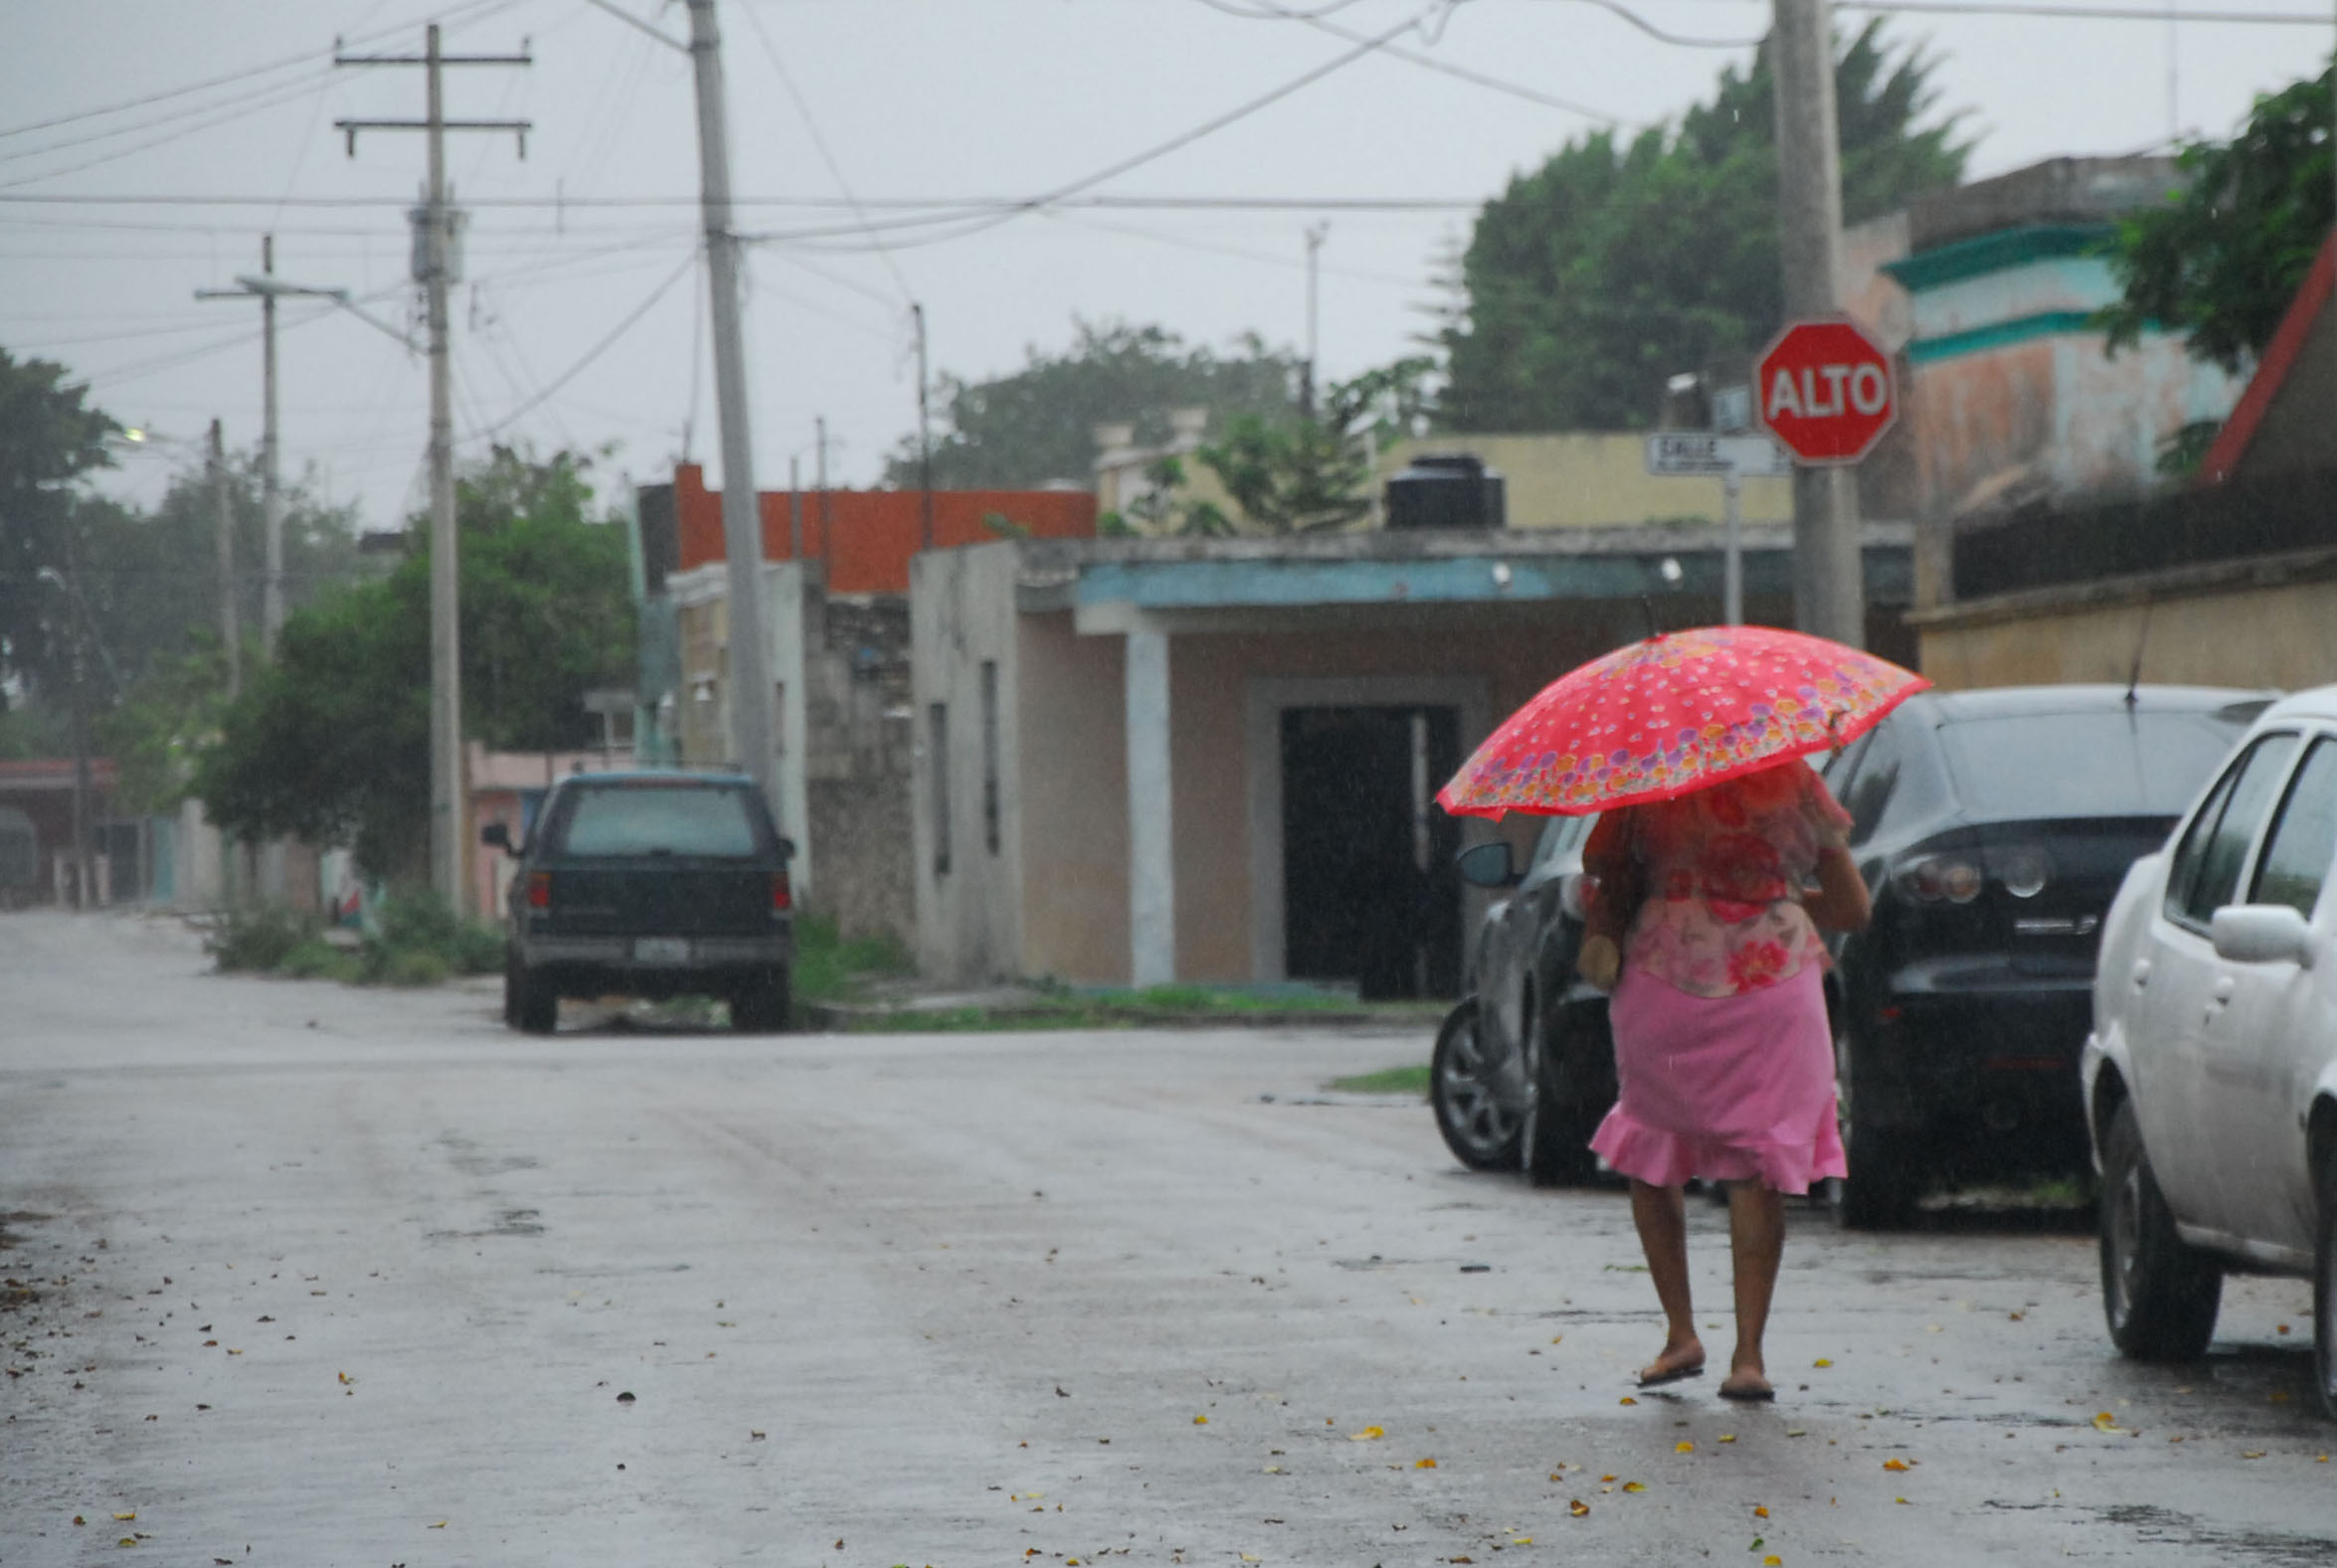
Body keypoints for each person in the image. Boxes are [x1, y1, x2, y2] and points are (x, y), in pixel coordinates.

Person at [1575, 754, 1870, 1402]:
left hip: (1663, 974)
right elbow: (1852, 908)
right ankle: (1749, 1357)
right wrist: (1773, 894)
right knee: (1757, 1160)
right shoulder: (1795, 781)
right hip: (1773, 973)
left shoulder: (1645, 778)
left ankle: (1680, 1332)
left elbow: (1597, 877)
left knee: (1651, 1146)